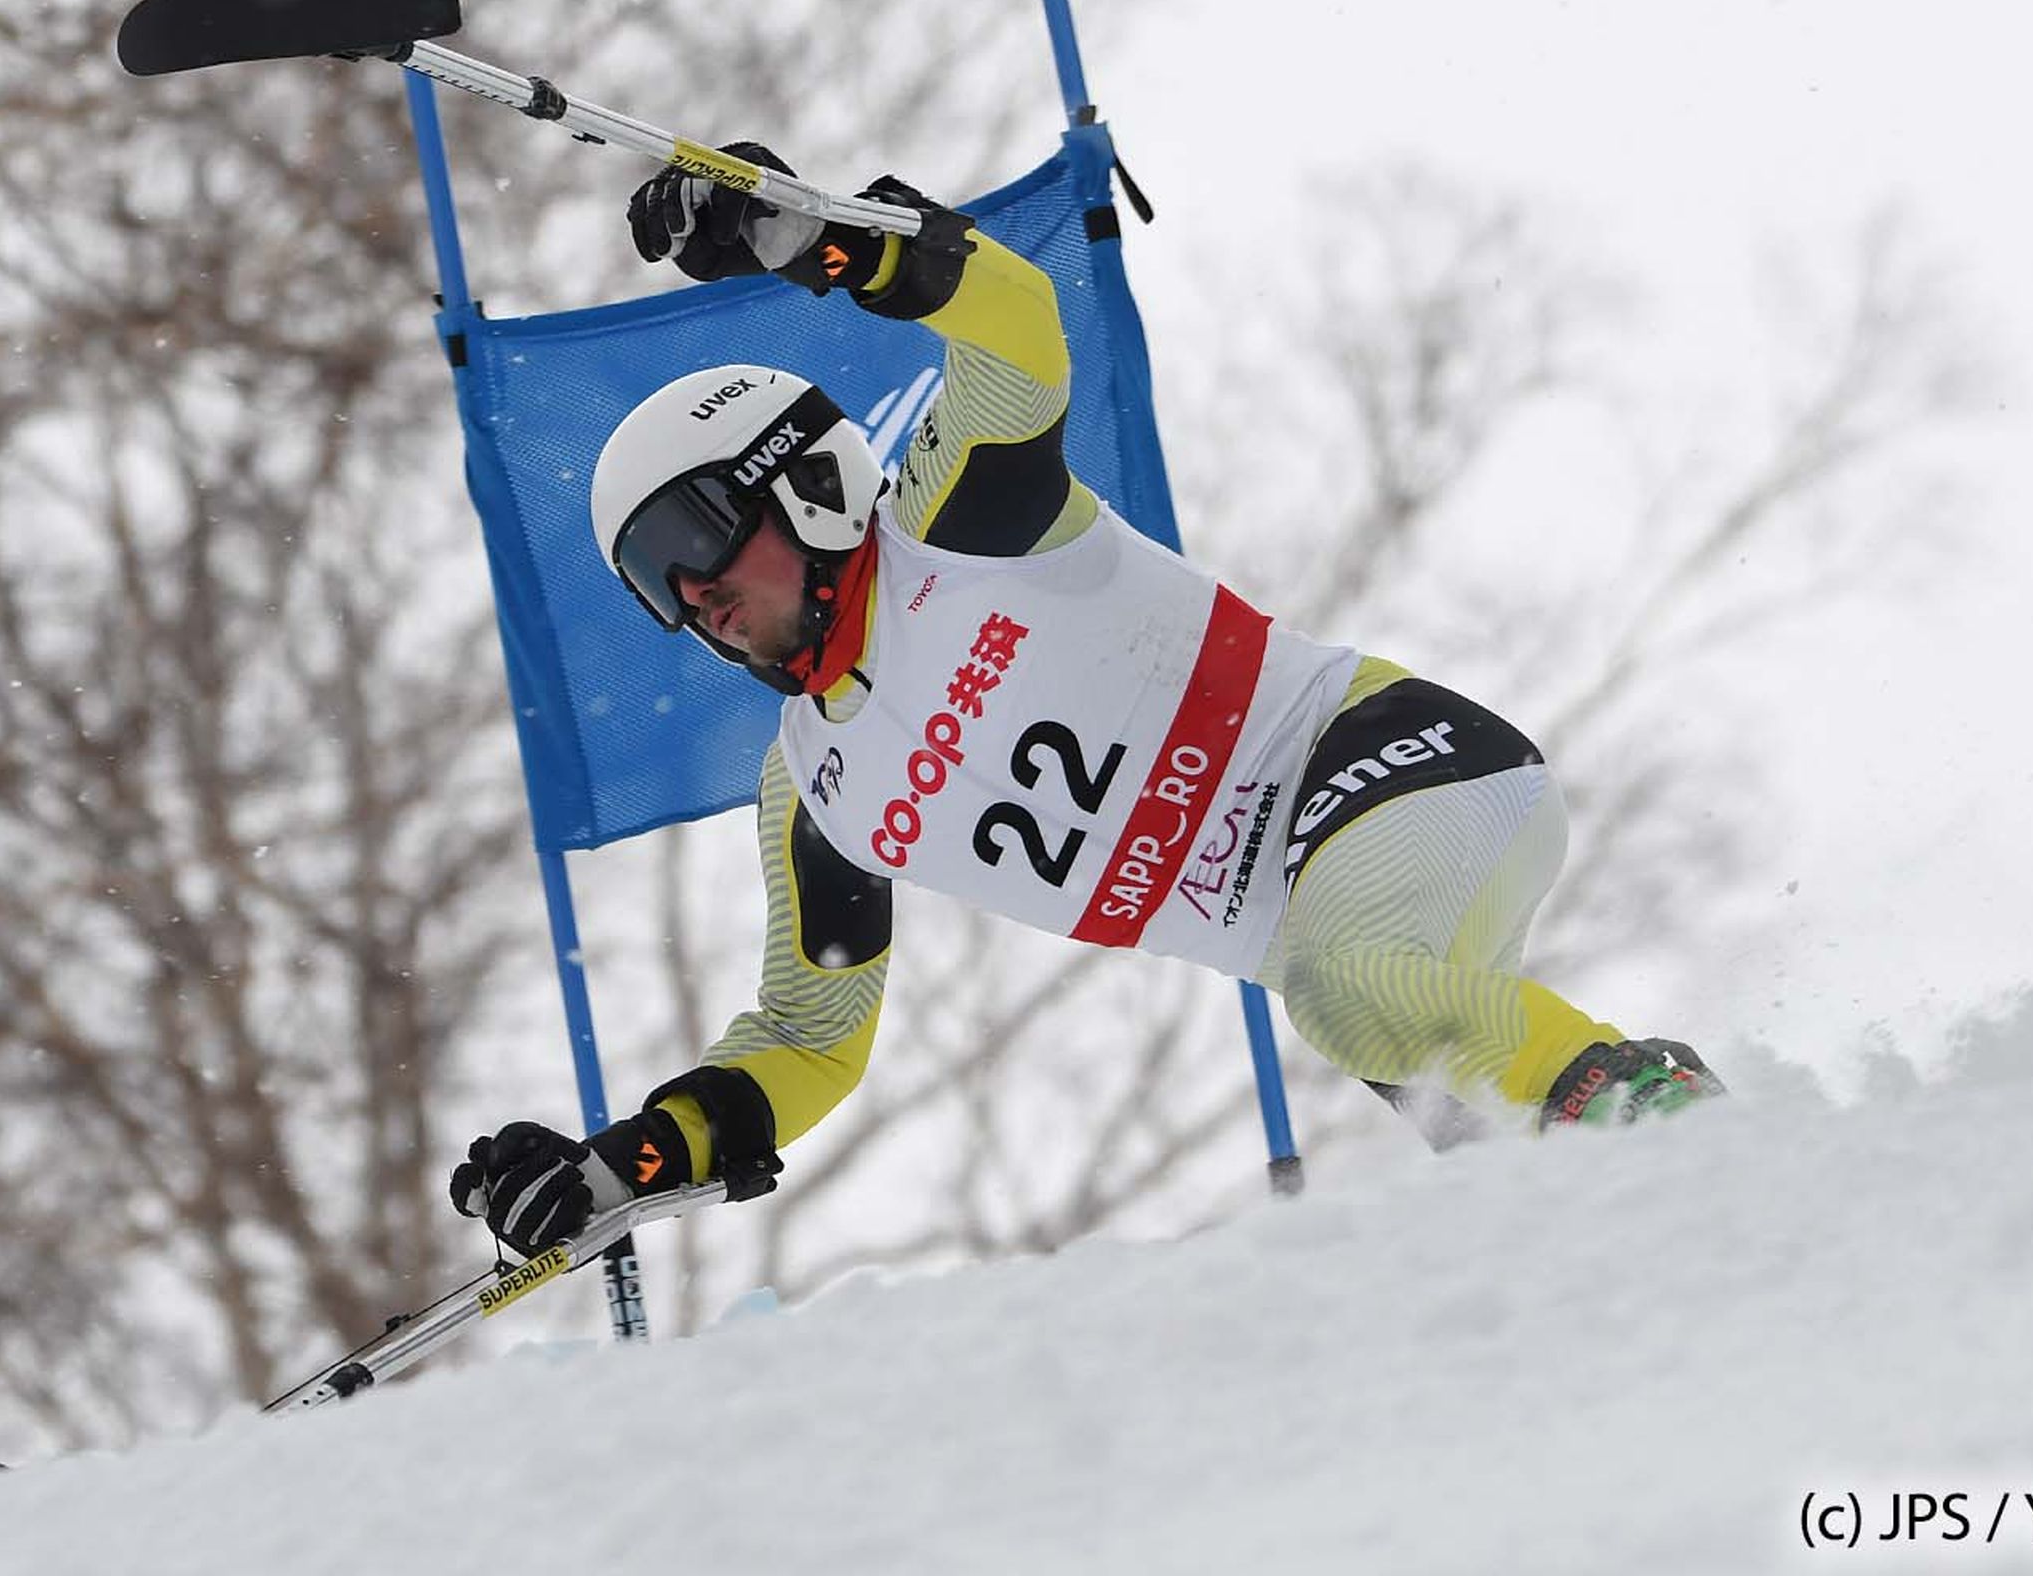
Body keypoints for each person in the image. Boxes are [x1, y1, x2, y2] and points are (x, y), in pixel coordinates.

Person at [450, 147, 1720, 1257]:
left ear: (805, 486)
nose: (694, 597)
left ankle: (1672, 1121)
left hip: (1390, 767)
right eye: (654, 587)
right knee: (1501, 1163)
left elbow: (1018, 320)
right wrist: (628, 1164)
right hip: (1324, 935)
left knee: (1351, 992)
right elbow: (810, 1033)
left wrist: (808, 231)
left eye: (700, 537)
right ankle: (1714, 1235)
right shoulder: (816, 792)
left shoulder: (958, 519)